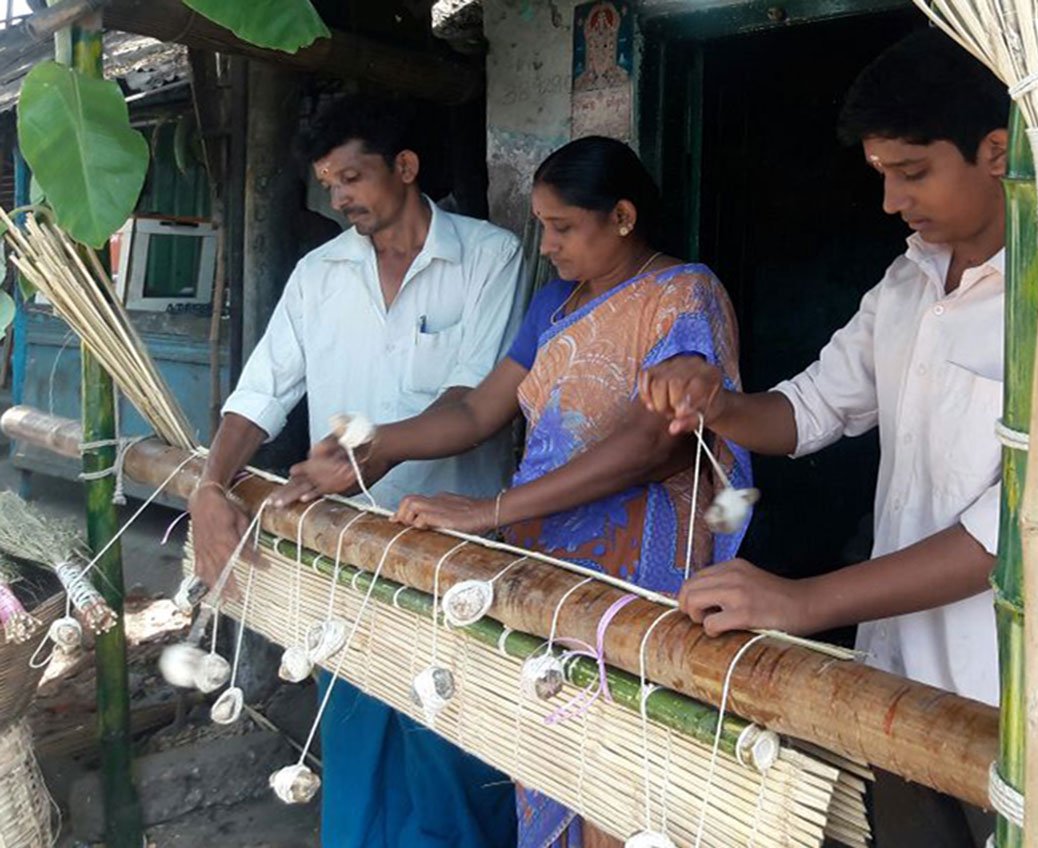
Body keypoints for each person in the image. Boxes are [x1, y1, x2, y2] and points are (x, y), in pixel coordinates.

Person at [639, 28, 1038, 847]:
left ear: (997, 151)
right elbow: (809, 410)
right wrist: (715, 400)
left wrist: (804, 601)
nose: (893, 202)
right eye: (883, 176)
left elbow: (1018, 535)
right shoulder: (908, 282)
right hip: (895, 693)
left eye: (912, 173)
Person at [277, 135, 752, 848]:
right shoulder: (554, 305)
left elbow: (653, 443)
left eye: (563, 227)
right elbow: (477, 410)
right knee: (552, 757)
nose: (548, 245)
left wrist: (490, 511)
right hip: (547, 570)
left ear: (621, 216)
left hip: (635, 577)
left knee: (621, 778)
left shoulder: (682, 293)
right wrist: (377, 447)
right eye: (541, 227)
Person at [189, 96, 522, 848]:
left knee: (452, 744)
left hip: (451, 549)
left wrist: (372, 452)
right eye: (328, 182)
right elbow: (262, 391)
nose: (338, 197)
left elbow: (474, 400)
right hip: (344, 550)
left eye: (352, 176)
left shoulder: (489, 256)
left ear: (403, 168)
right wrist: (210, 485)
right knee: (357, 745)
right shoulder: (319, 275)